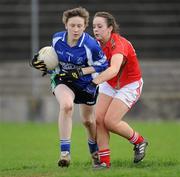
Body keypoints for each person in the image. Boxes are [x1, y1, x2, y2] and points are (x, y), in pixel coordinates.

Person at [31, 7, 108, 168]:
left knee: (88, 121)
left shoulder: (90, 45)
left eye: (79, 26)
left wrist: (80, 72)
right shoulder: (57, 39)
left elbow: (103, 64)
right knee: (66, 106)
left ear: (85, 26)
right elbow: (55, 63)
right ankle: (65, 153)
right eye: (72, 25)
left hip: (86, 84)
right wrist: (44, 65)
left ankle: (94, 152)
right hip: (63, 80)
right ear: (65, 25)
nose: (75, 29)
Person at [91, 11, 148, 168]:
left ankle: (139, 141)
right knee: (99, 120)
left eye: (100, 26)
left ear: (110, 28)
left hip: (130, 84)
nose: (96, 29)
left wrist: (94, 82)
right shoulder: (94, 44)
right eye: (94, 26)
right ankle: (104, 163)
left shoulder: (119, 43)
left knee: (110, 121)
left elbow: (114, 69)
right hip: (110, 83)